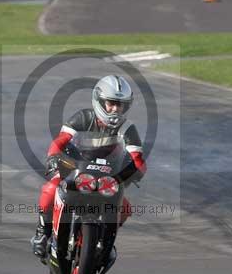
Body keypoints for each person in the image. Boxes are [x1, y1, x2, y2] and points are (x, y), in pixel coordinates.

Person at [30, 75, 147, 261]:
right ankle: (42, 232)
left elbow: (138, 159)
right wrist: (53, 158)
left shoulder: (127, 128)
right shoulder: (83, 117)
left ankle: (105, 241)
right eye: (111, 103)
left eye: (120, 105)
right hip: (76, 168)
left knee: (124, 208)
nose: (115, 109)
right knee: (51, 188)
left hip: (108, 175)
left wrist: (131, 174)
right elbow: (60, 142)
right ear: (99, 101)